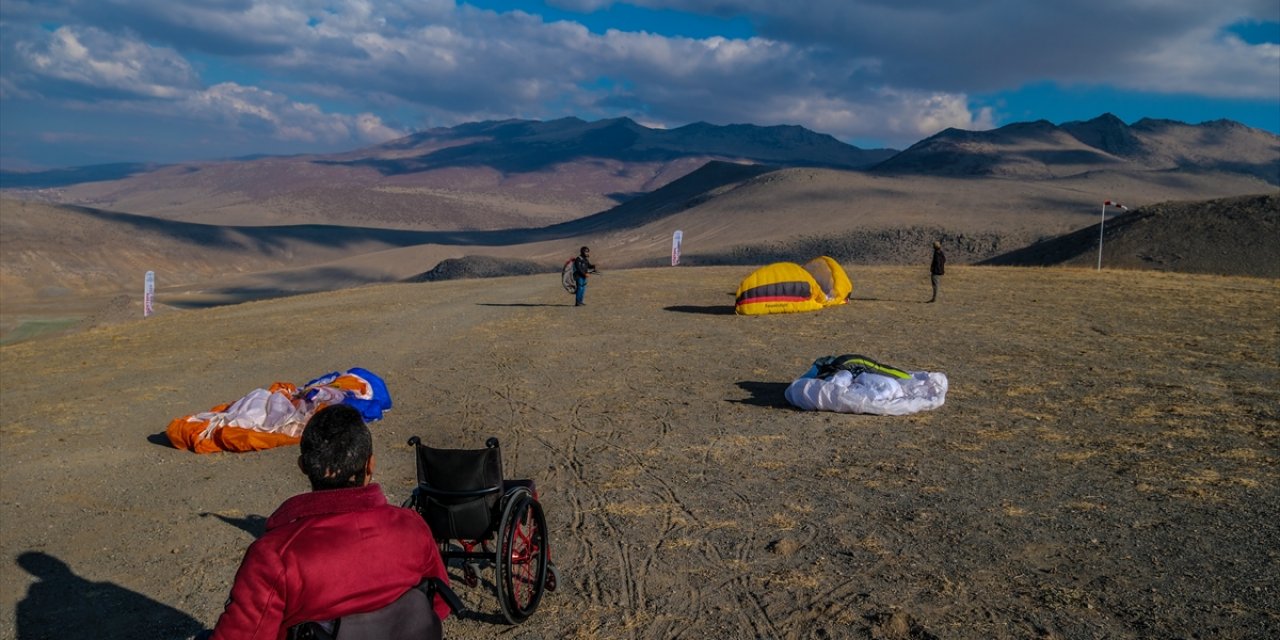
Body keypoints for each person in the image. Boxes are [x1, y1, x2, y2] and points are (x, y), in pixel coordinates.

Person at [210, 405, 451, 640]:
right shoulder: (411, 526)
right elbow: (439, 603)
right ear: (370, 464)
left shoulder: (274, 555)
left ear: (303, 467)